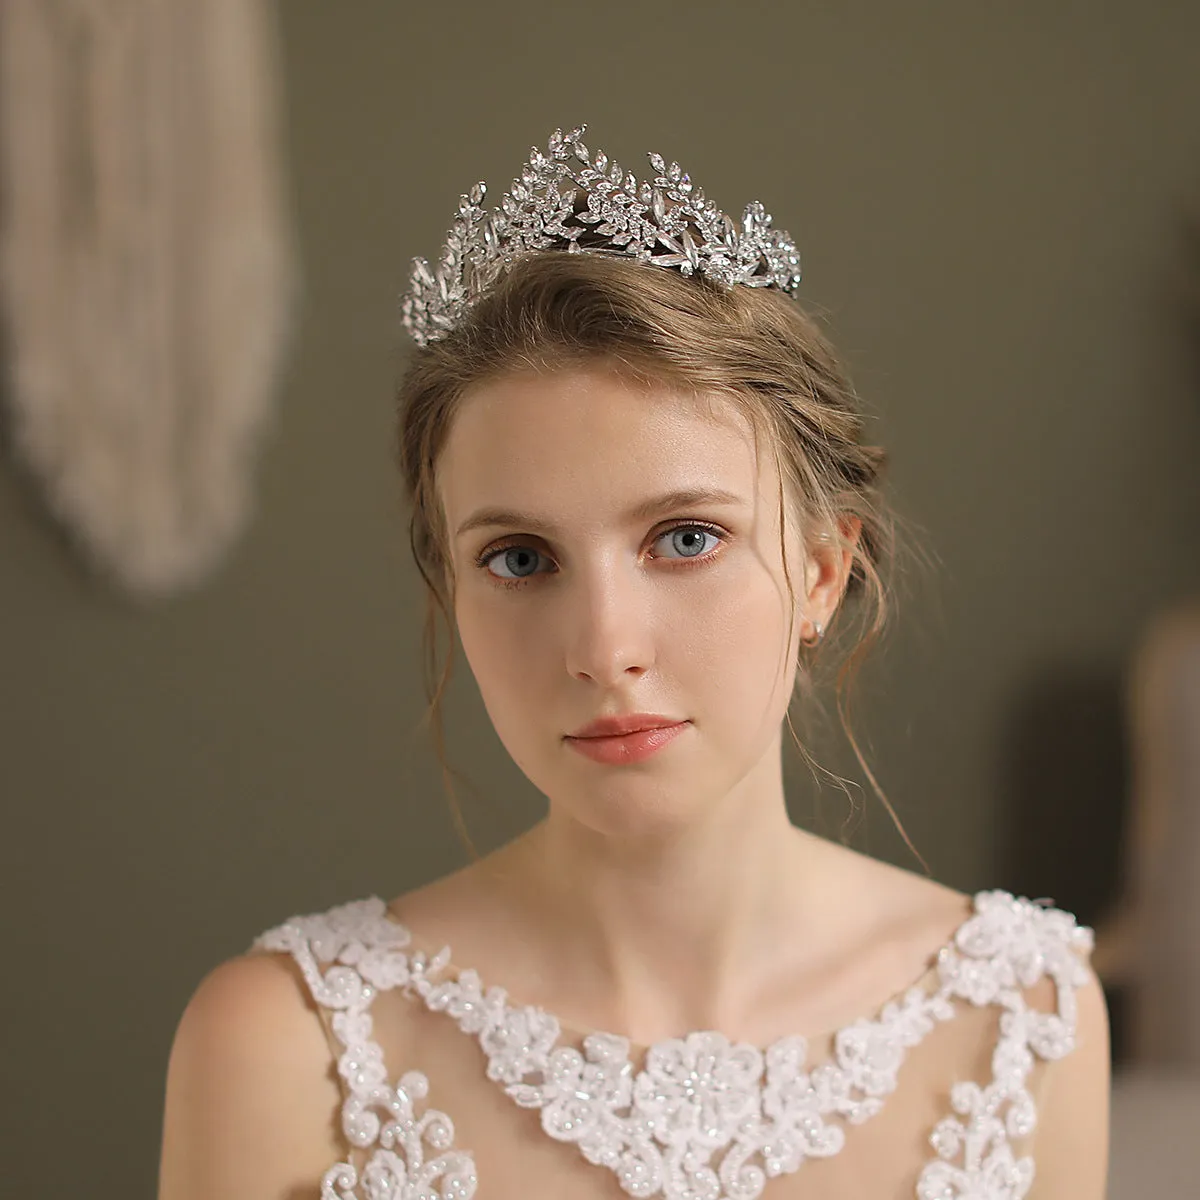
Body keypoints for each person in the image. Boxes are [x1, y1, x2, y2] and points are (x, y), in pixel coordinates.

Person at [157, 126, 1110, 1199]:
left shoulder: (1020, 1014)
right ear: (452, 594)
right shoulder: (289, 1045)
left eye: (687, 538)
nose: (606, 650)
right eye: (520, 558)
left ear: (822, 572)